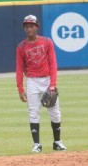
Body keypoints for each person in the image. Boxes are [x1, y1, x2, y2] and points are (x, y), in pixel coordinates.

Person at [15, 15, 67, 153]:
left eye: (31, 26)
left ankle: (57, 142)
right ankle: (37, 144)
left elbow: (53, 64)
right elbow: (19, 69)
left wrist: (52, 85)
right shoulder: (21, 47)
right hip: (32, 81)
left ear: (37, 27)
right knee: (33, 112)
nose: (29, 28)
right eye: (26, 26)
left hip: (47, 80)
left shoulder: (47, 42)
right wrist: (20, 89)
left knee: (55, 112)